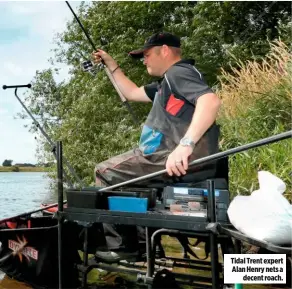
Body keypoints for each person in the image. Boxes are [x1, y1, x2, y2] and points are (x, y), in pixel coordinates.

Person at [92, 32, 221, 260]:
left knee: (104, 172)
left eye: (147, 54)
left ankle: (125, 247)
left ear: (164, 50)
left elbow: (210, 100)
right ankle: (147, 246)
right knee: (130, 185)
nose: (144, 60)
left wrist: (185, 145)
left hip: (166, 157)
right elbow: (130, 92)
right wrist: (111, 64)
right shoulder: (166, 84)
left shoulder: (178, 73)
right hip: (166, 158)